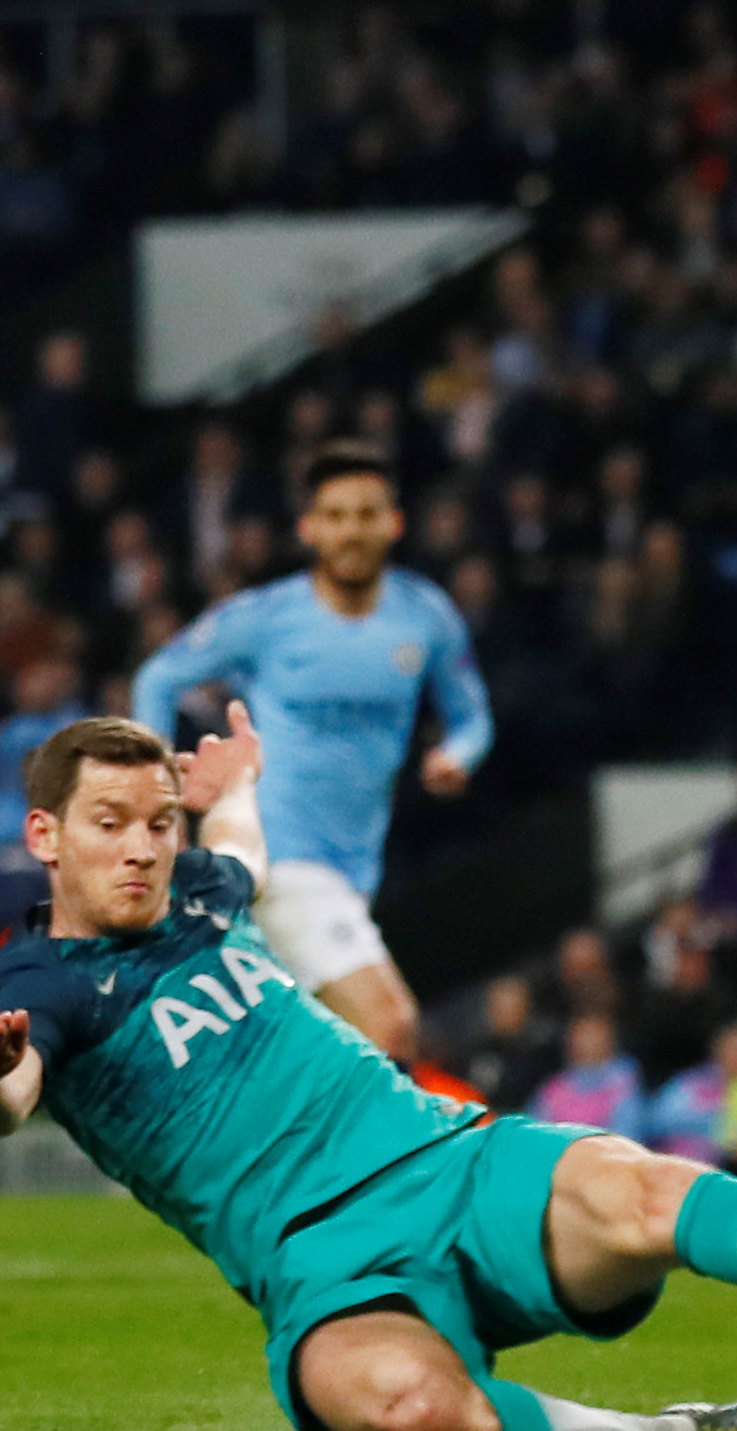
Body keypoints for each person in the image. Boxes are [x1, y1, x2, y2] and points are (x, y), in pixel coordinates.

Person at [0, 707, 737, 1431]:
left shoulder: (198, 893)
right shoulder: (36, 983)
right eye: (110, 824)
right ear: (45, 836)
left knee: (636, 1190)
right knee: (415, 1413)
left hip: (447, 1156)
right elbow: (1, 1099)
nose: (141, 849)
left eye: (158, 822)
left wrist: (238, 792)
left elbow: (243, 854)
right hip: (321, 1262)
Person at [130, 441, 490, 1062]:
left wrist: (458, 755)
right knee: (390, 1026)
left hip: (355, 869)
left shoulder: (425, 616)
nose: (351, 530)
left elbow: (473, 716)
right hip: (275, 856)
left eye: (366, 514)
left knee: (315, 1058)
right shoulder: (268, 616)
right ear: (309, 528)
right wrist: (155, 801)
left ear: (393, 523)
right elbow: (158, 677)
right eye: (336, 516)